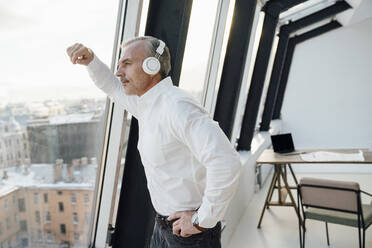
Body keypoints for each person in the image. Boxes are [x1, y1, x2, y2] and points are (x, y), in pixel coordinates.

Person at [66, 36, 242, 248]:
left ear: (153, 66)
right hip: (165, 227)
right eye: (119, 65)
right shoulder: (148, 104)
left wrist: (201, 221)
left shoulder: (176, 106)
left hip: (191, 235)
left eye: (127, 64)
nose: (119, 72)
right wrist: (91, 60)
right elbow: (113, 87)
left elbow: (225, 161)